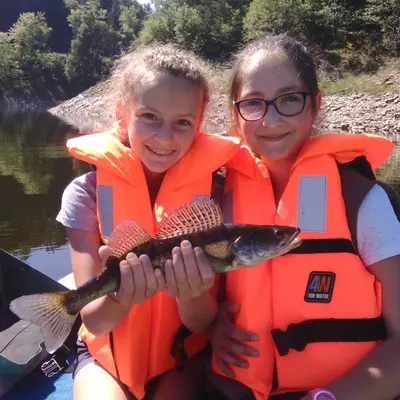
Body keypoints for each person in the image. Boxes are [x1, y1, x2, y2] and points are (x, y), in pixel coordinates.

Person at [208, 34, 400, 400]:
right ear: (235, 114)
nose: (272, 118)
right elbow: (198, 304)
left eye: (289, 99)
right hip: (238, 390)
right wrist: (210, 323)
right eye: (253, 103)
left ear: (315, 106)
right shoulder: (216, 198)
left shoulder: (363, 202)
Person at [56, 43, 243, 400]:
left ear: (198, 125)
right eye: (149, 117)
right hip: (105, 360)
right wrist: (121, 298)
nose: (164, 137)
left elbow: (202, 322)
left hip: (180, 359)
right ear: (122, 113)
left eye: (182, 123)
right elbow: (94, 321)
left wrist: (191, 293)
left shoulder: (217, 195)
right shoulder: (84, 195)